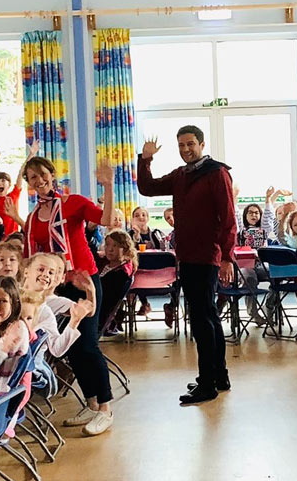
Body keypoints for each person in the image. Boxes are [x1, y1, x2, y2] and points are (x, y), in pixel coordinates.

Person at [137, 126, 236, 406]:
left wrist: (227, 256)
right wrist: (145, 160)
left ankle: (207, 384)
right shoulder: (181, 175)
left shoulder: (217, 173)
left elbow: (228, 218)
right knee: (208, 317)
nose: (185, 149)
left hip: (206, 257)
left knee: (203, 321)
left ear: (202, 144)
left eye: (190, 144)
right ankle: (218, 376)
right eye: (180, 145)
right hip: (188, 256)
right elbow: (147, 187)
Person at [22, 156, 116, 436]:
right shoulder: (32, 217)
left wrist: (109, 186)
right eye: (32, 178)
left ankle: (105, 408)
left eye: (42, 174)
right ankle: (90, 403)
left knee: (87, 344)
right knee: (71, 346)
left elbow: (107, 220)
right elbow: (33, 255)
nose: (39, 181)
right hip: (56, 286)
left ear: (52, 174)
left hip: (83, 281)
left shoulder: (71, 203)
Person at [98, 230, 138, 335]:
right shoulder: (105, 264)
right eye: (107, 245)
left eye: (115, 246)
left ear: (125, 249)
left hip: (97, 312)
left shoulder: (121, 274)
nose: (110, 249)